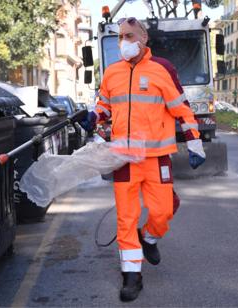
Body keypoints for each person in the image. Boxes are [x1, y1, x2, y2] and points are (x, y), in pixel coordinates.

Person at [80, 17, 206, 302]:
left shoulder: (163, 69)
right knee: (126, 217)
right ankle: (131, 276)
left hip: (156, 157)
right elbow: (103, 106)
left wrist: (194, 140)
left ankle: (148, 237)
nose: (123, 41)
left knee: (162, 211)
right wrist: (93, 117)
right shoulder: (112, 73)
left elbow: (181, 108)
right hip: (123, 158)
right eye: (120, 36)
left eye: (128, 35)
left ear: (144, 38)